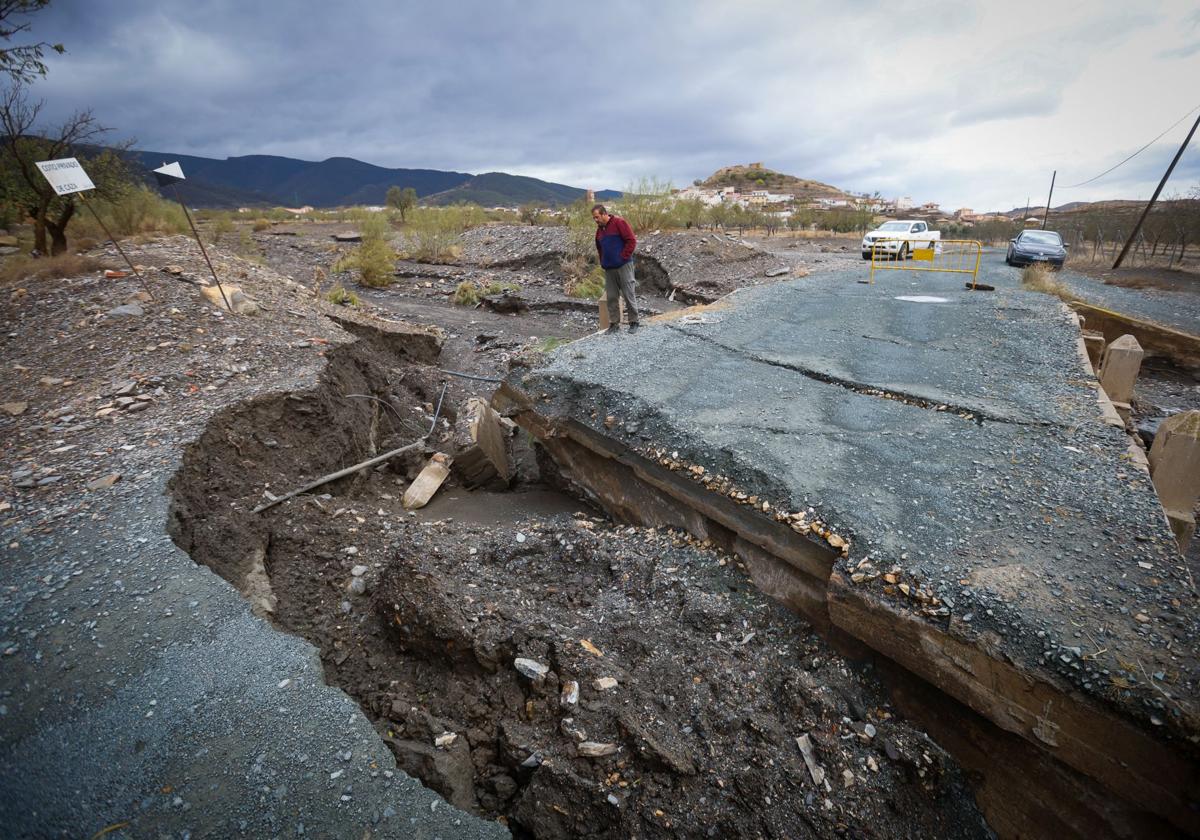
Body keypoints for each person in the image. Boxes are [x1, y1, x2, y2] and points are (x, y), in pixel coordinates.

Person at [592, 204, 638, 334]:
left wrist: (622, 257)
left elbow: (631, 241)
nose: (596, 220)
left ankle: (634, 322)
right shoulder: (599, 230)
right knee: (611, 297)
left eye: (597, 217)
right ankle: (614, 324)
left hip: (624, 265)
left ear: (604, 214)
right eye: (594, 218)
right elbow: (599, 248)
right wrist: (603, 261)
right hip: (609, 268)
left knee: (628, 293)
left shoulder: (619, 222)